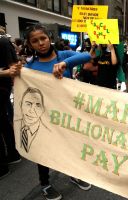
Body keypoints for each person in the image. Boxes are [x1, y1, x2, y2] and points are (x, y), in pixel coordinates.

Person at [24, 24, 92, 200]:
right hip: (45, 118)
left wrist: (64, 63)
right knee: (44, 152)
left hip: (68, 116)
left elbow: (88, 55)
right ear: (30, 45)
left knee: (72, 146)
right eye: (35, 41)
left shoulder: (64, 55)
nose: (41, 43)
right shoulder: (30, 66)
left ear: (49, 38)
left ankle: (73, 173)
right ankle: (45, 184)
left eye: (43, 38)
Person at [0, 36, 22, 179]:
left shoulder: (2, 42)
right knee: (3, 121)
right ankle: (12, 154)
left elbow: (15, 66)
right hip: (4, 86)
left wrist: (6, 73)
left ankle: (2, 166)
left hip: (2, 87)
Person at [15, 87, 49, 153]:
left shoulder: (48, 133)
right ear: (20, 105)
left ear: (43, 109)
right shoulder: (14, 126)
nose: (32, 110)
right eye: (28, 104)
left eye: (38, 105)